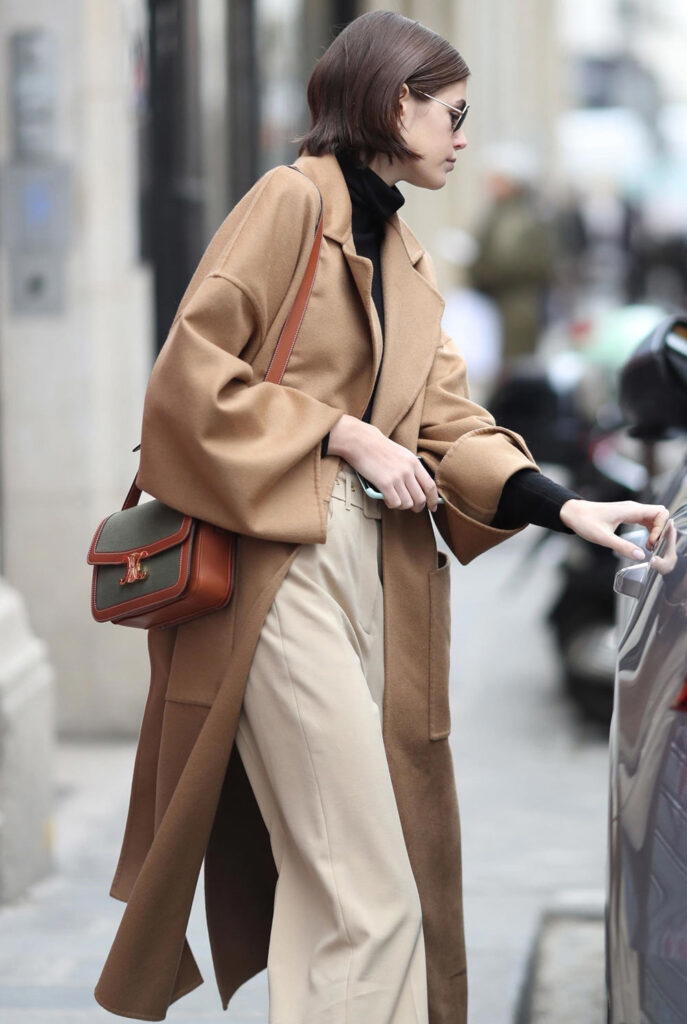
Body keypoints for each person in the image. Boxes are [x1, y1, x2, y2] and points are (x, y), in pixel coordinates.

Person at [93, 12, 669, 1024]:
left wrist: (562, 501)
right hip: (276, 569)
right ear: (392, 101)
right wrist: (346, 436)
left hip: (373, 573)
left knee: (348, 886)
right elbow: (189, 382)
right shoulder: (287, 203)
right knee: (370, 892)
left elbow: (447, 419)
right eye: (450, 114)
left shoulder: (406, 251)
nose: (461, 136)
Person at [468, 142, 556, 363]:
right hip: (495, 303)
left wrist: (480, 266)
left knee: (514, 365)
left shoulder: (523, 217)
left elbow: (515, 261)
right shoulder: (498, 213)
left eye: (496, 180)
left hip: (517, 308)